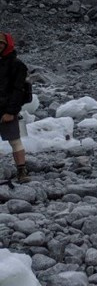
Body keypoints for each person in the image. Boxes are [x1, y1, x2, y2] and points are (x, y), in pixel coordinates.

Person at [0, 34, 31, 184]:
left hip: (7, 109)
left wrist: (11, 112)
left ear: (7, 45)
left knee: (14, 140)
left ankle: (21, 170)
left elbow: (19, 90)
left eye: (1, 43)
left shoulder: (17, 65)